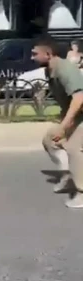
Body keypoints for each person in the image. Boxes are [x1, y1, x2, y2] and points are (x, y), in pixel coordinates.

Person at [33, 37, 83, 208]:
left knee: (73, 148)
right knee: (50, 141)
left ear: (48, 54)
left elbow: (79, 98)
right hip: (75, 116)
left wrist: (64, 127)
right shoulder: (50, 70)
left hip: (81, 116)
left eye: (35, 54)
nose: (32, 57)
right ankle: (68, 173)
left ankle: (82, 193)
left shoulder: (66, 69)